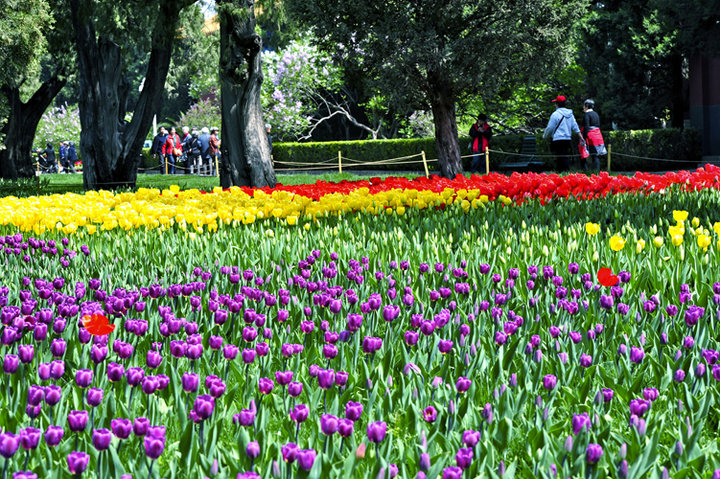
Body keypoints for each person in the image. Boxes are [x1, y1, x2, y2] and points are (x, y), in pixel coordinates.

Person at [543, 95, 581, 172]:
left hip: (558, 138)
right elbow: (575, 126)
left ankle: (566, 172)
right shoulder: (570, 114)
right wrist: (580, 136)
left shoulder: (555, 114)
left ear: (557, 104)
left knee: (560, 156)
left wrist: (545, 136)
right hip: (567, 138)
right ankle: (560, 172)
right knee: (563, 155)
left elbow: (550, 127)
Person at [581, 99, 606, 171]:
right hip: (598, 135)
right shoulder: (596, 114)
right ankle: (597, 172)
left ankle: (587, 171)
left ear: (586, 106)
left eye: (584, 106)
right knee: (596, 155)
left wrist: (584, 138)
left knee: (587, 154)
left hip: (590, 136)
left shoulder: (586, 115)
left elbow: (586, 127)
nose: (583, 107)